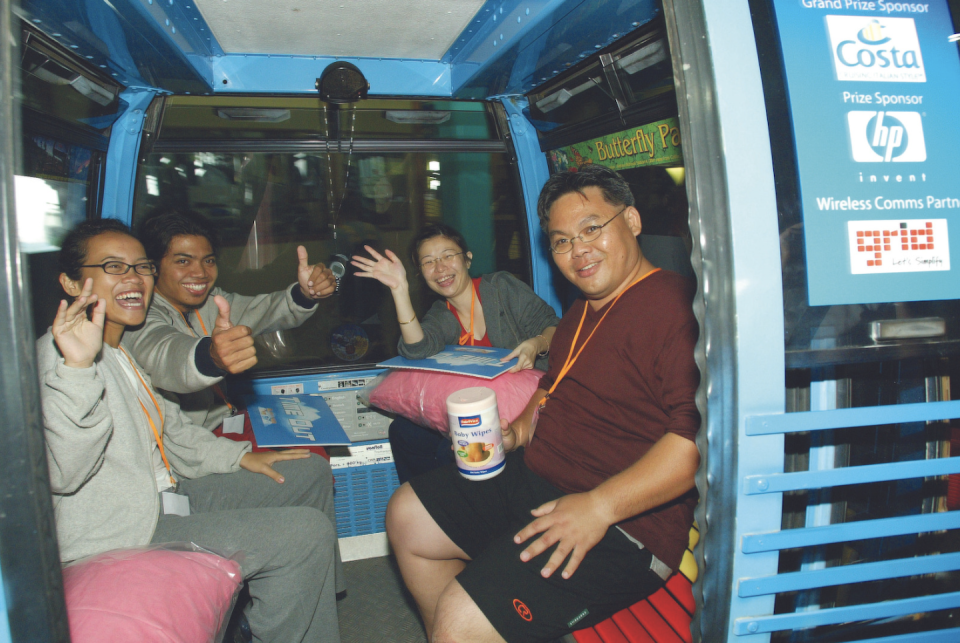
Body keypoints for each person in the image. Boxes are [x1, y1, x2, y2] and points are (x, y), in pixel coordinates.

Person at [385, 165, 701, 643]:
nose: (578, 250)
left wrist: (598, 507)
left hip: (625, 523)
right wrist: (516, 433)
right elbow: (550, 391)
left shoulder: (676, 308)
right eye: (561, 241)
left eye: (591, 228)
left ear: (632, 221)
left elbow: (693, 441)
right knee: (407, 513)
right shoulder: (579, 312)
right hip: (541, 479)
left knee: (461, 616)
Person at [38, 219, 341, 643]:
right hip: (124, 530)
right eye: (114, 267)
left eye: (139, 267)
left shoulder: (116, 347)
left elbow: (170, 428)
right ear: (72, 283)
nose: (133, 278)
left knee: (306, 470)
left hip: (162, 495)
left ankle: (306, 599)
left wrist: (241, 457)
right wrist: (77, 370)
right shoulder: (64, 360)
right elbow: (61, 471)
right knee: (305, 534)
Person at [351, 223, 560, 482]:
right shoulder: (443, 314)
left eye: (448, 256)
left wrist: (536, 344)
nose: (440, 269)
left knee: (448, 452)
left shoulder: (501, 288)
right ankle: (425, 507)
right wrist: (399, 289)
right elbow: (416, 349)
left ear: (468, 259)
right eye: (429, 262)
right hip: (478, 416)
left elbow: (554, 326)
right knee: (403, 432)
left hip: (533, 408)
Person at [123, 210, 337, 433]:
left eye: (208, 261)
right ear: (152, 268)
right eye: (183, 261)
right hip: (186, 444)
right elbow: (164, 353)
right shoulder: (139, 316)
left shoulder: (211, 302)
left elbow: (262, 310)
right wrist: (210, 357)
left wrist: (306, 293)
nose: (200, 273)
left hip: (224, 422)